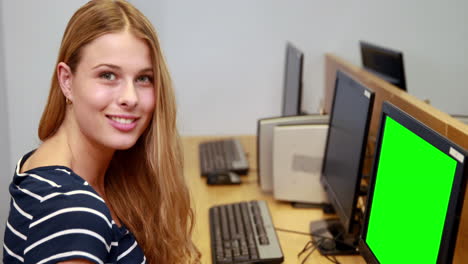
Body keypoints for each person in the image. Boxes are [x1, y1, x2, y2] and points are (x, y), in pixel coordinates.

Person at [3, 1, 200, 263]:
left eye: (143, 78)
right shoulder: (72, 210)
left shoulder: (52, 165)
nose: (130, 98)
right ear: (67, 81)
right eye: (108, 75)